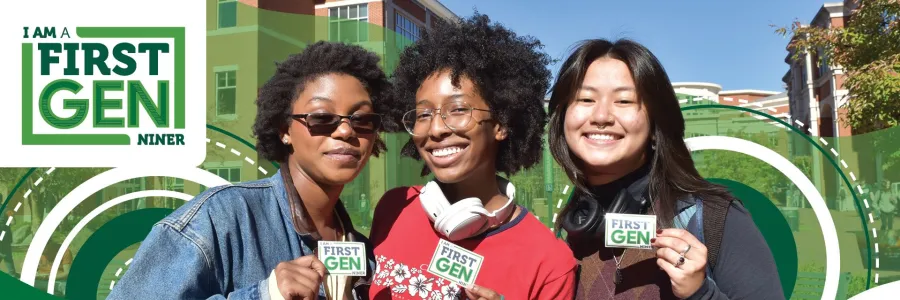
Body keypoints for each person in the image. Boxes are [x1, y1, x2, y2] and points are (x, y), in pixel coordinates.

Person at [109, 41, 394, 299]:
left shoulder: (368, 254)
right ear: (285, 131)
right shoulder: (221, 219)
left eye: (362, 119)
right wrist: (265, 294)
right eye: (322, 118)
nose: (345, 130)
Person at [548, 39, 783, 299]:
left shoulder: (714, 217)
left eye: (624, 101)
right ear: (562, 119)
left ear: (655, 124)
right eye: (585, 98)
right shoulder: (568, 229)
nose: (601, 116)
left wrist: (700, 293)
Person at [368, 13, 576, 300]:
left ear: (501, 123)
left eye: (458, 109)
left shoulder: (550, 263)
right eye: (423, 114)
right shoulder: (393, 209)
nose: (437, 129)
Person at [0, 209, 17, 278]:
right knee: (7, 256)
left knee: (6, 256)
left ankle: (12, 275)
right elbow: (13, 222)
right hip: (6, 238)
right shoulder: (6, 211)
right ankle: (12, 275)